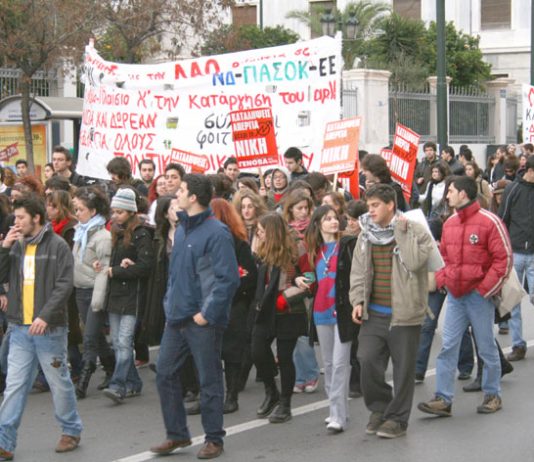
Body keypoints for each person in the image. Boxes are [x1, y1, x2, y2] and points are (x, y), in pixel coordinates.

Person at [151, 174, 239, 459]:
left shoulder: (217, 233)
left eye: (182, 191)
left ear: (194, 198)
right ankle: (177, 434)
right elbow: (176, 276)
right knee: (164, 373)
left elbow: (227, 280)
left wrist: (207, 314)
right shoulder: (183, 229)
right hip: (176, 318)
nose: (176, 194)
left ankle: (214, 438)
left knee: (208, 379)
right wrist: (169, 305)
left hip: (202, 320)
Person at [418, 176, 512, 417]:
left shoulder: (490, 222)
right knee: (448, 345)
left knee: (486, 347)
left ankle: (493, 394)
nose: (446, 195)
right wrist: (442, 281)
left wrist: (484, 290)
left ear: (464, 194)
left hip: (479, 296)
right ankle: (443, 398)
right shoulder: (449, 223)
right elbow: (445, 260)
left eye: (450, 191)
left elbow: (504, 260)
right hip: (456, 296)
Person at [0, 195, 83, 458]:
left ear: (36, 218)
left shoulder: (58, 245)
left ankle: (70, 430)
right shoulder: (15, 245)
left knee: (59, 382)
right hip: (19, 329)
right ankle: (4, 442)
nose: (17, 222)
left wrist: (45, 316)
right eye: (15, 217)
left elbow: (64, 284)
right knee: (14, 385)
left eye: (22, 217)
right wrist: (4, 247)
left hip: (49, 329)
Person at [349, 183, 433, 439]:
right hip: (373, 313)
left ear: (391, 205)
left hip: (404, 313)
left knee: (403, 369)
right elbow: (358, 271)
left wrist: (402, 233)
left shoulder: (414, 229)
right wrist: (357, 300)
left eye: (376, 206)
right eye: (369, 206)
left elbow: (415, 262)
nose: (370, 211)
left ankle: (397, 419)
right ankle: (380, 407)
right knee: (367, 360)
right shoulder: (365, 235)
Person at [296, 205, 356, 434]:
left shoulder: (347, 245)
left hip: (341, 311)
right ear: (318, 223)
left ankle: (338, 415)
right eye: (328, 218)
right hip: (320, 311)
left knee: (341, 363)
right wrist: (301, 281)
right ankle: (336, 411)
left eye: (335, 218)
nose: (333, 222)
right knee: (329, 364)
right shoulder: (314, 250)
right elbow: (313, 279)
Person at [251, 213, 308, 424]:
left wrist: (287, 295)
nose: (258, 233)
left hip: (288, 311)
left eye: (262, 230)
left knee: (285, 358)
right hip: (266, 308)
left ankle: (285, 403)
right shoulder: (263, 250)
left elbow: (311, 278)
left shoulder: (296, 249)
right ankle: (271, 391)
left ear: (272, 232)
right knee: (257, 350)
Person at [102, 188, 154, 403]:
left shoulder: (141, 233)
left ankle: (118, 385)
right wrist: (105, 266)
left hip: (132, 295)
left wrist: (118, 270)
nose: (115, 216)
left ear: (131, 212)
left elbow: (145, 266)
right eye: (114, 212)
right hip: (115, 295)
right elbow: (113, 262)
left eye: (120, 212)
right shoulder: (116, 230)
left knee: (124, 342)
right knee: (116, 342)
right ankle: (134, 382)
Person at [210, 198, 257, 414]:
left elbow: (249, 275)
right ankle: (212, 394)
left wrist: (227, 290)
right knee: (210, 352)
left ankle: (231, 395)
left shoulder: (238, 242)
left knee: (230, 352)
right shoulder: (206, 241)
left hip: (233, 304)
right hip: (210, 303)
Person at [71, 186, 114, 399]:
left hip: (94, 293)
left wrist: (98, 300)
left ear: (93, 211)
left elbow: (104, 271)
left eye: (80, 209)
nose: (76, 213)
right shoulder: (81, 232)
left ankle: (84, 382)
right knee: (96, 336)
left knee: (89, 338)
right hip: (80, 291)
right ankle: (112, 369)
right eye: (75, 209)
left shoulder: (103, 236)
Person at [498, 156, 534, 362]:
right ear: (529, 170)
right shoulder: (513, 190)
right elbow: (503, 219)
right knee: (513, 300)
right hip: (516, 252)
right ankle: (518, 345)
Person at [233, 190, 268, 255]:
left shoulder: (263, 226)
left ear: (256, 207)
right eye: (243, 207)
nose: (246, 211)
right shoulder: (236, 228)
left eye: (250, 207)